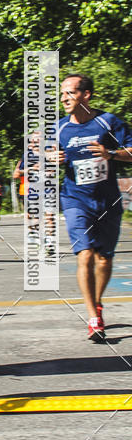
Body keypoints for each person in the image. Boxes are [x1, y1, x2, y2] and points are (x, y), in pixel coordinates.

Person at [58, 72, 132, 343]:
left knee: (104, 258)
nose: (64, 98)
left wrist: (111, 154)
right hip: (75, 198)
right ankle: (93, 317)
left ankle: (97, 302)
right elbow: (34, 160)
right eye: (63, 93)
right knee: (85, 254)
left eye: (70, 92)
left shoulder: (108, 122)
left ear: (86, 95)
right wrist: (50, 157)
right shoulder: (60, 128)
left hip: (108, 200)